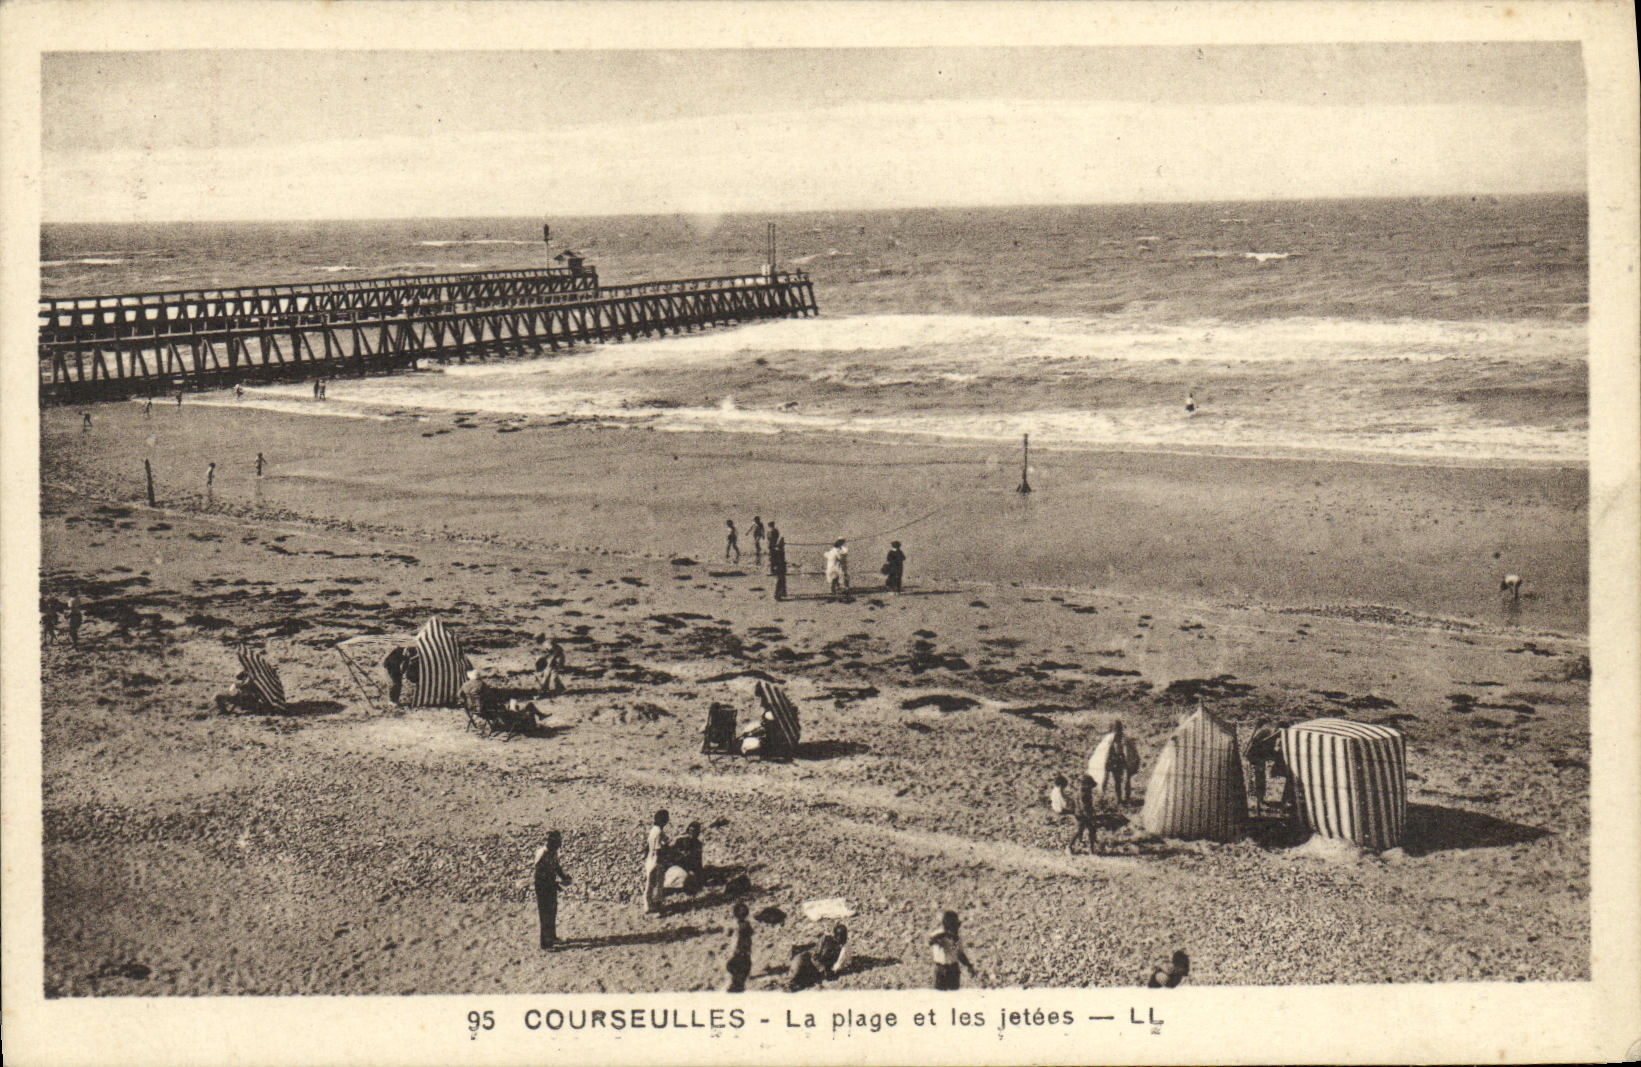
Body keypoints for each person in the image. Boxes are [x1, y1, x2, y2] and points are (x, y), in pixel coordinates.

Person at [533, 832, 572, 949]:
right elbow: (540, 874)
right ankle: (545, 943)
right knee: (545, 914)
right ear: (551, 842)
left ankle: (552, 936)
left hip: (550, 885)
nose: (560, 845)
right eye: (558, 842)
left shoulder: (552, 852)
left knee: (552, 911)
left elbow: (556, 867)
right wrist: (554, 884)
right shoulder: (543, 854)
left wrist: (564, 877)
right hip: (543, 887)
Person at [1244, 721, 1288, 816]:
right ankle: (1258, 802)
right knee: (1258, 780)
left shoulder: (1270, 733)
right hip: (1256, 757)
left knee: (1260, 779)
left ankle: (1260, 801)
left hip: (1259, 758)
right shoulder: (1267, 732)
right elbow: (1258, 746)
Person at [929, 910, 976, 990]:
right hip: (941, 969)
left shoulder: (956, 937)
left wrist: (968, 966)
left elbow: (959, 954)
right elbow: (933, 941)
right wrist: (946, 935)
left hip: (953, 969)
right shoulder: (938, 934)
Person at [642, 810, 670, 916]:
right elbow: (658, 848)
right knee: (658, 884)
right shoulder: (658, 832)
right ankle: (656, 908)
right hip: (657, 861)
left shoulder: (653, 830)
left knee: (650, 883)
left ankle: (648, 905)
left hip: (650, 860)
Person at [1066, 774, 1099, 854]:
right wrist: (1090, 816)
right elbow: (1083, 806)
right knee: (1079, 830)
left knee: (1090, 830)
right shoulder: (1082, 794)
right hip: (1082, 815)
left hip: (1084, 814)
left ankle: (1091, 849)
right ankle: (1069, 846)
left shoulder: (1084, 792)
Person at [724, 900, 754, 992]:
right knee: (741, 962)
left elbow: (727, 933)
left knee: (735, 963)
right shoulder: (745, 924)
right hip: (742, 946)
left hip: (738, 947)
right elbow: (751, 932)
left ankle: (735, 981)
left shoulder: (735, 924)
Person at [770, 534, 788, 601]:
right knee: (780, 581)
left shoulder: (779, 550)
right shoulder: (778, 551)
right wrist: (774, 567)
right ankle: (777, 595)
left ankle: (782, 593)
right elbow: (774, 561)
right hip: (779, 568)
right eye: (782, 543)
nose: (783, 545)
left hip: (781, 567)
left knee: (782, 581)